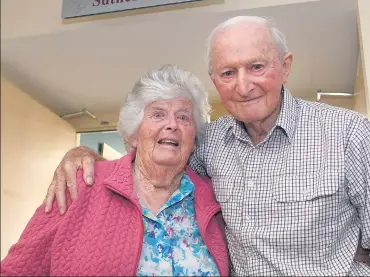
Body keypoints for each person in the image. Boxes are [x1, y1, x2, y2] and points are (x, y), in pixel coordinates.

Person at [42, 16, 370, 276]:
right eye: (228, 73)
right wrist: (83, 154)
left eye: (257, 67)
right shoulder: (209, 144)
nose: (243, 85)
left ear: (285, 67)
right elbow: (154, 154)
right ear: (215, 79)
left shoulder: (349, 134)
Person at [1, 65, 229, 276]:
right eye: (158, 114)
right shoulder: (81, 185)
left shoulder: (213, 197)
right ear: (134, 134)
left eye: (183, 117)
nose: (172, 124)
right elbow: (16, 270)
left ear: (194, 137)